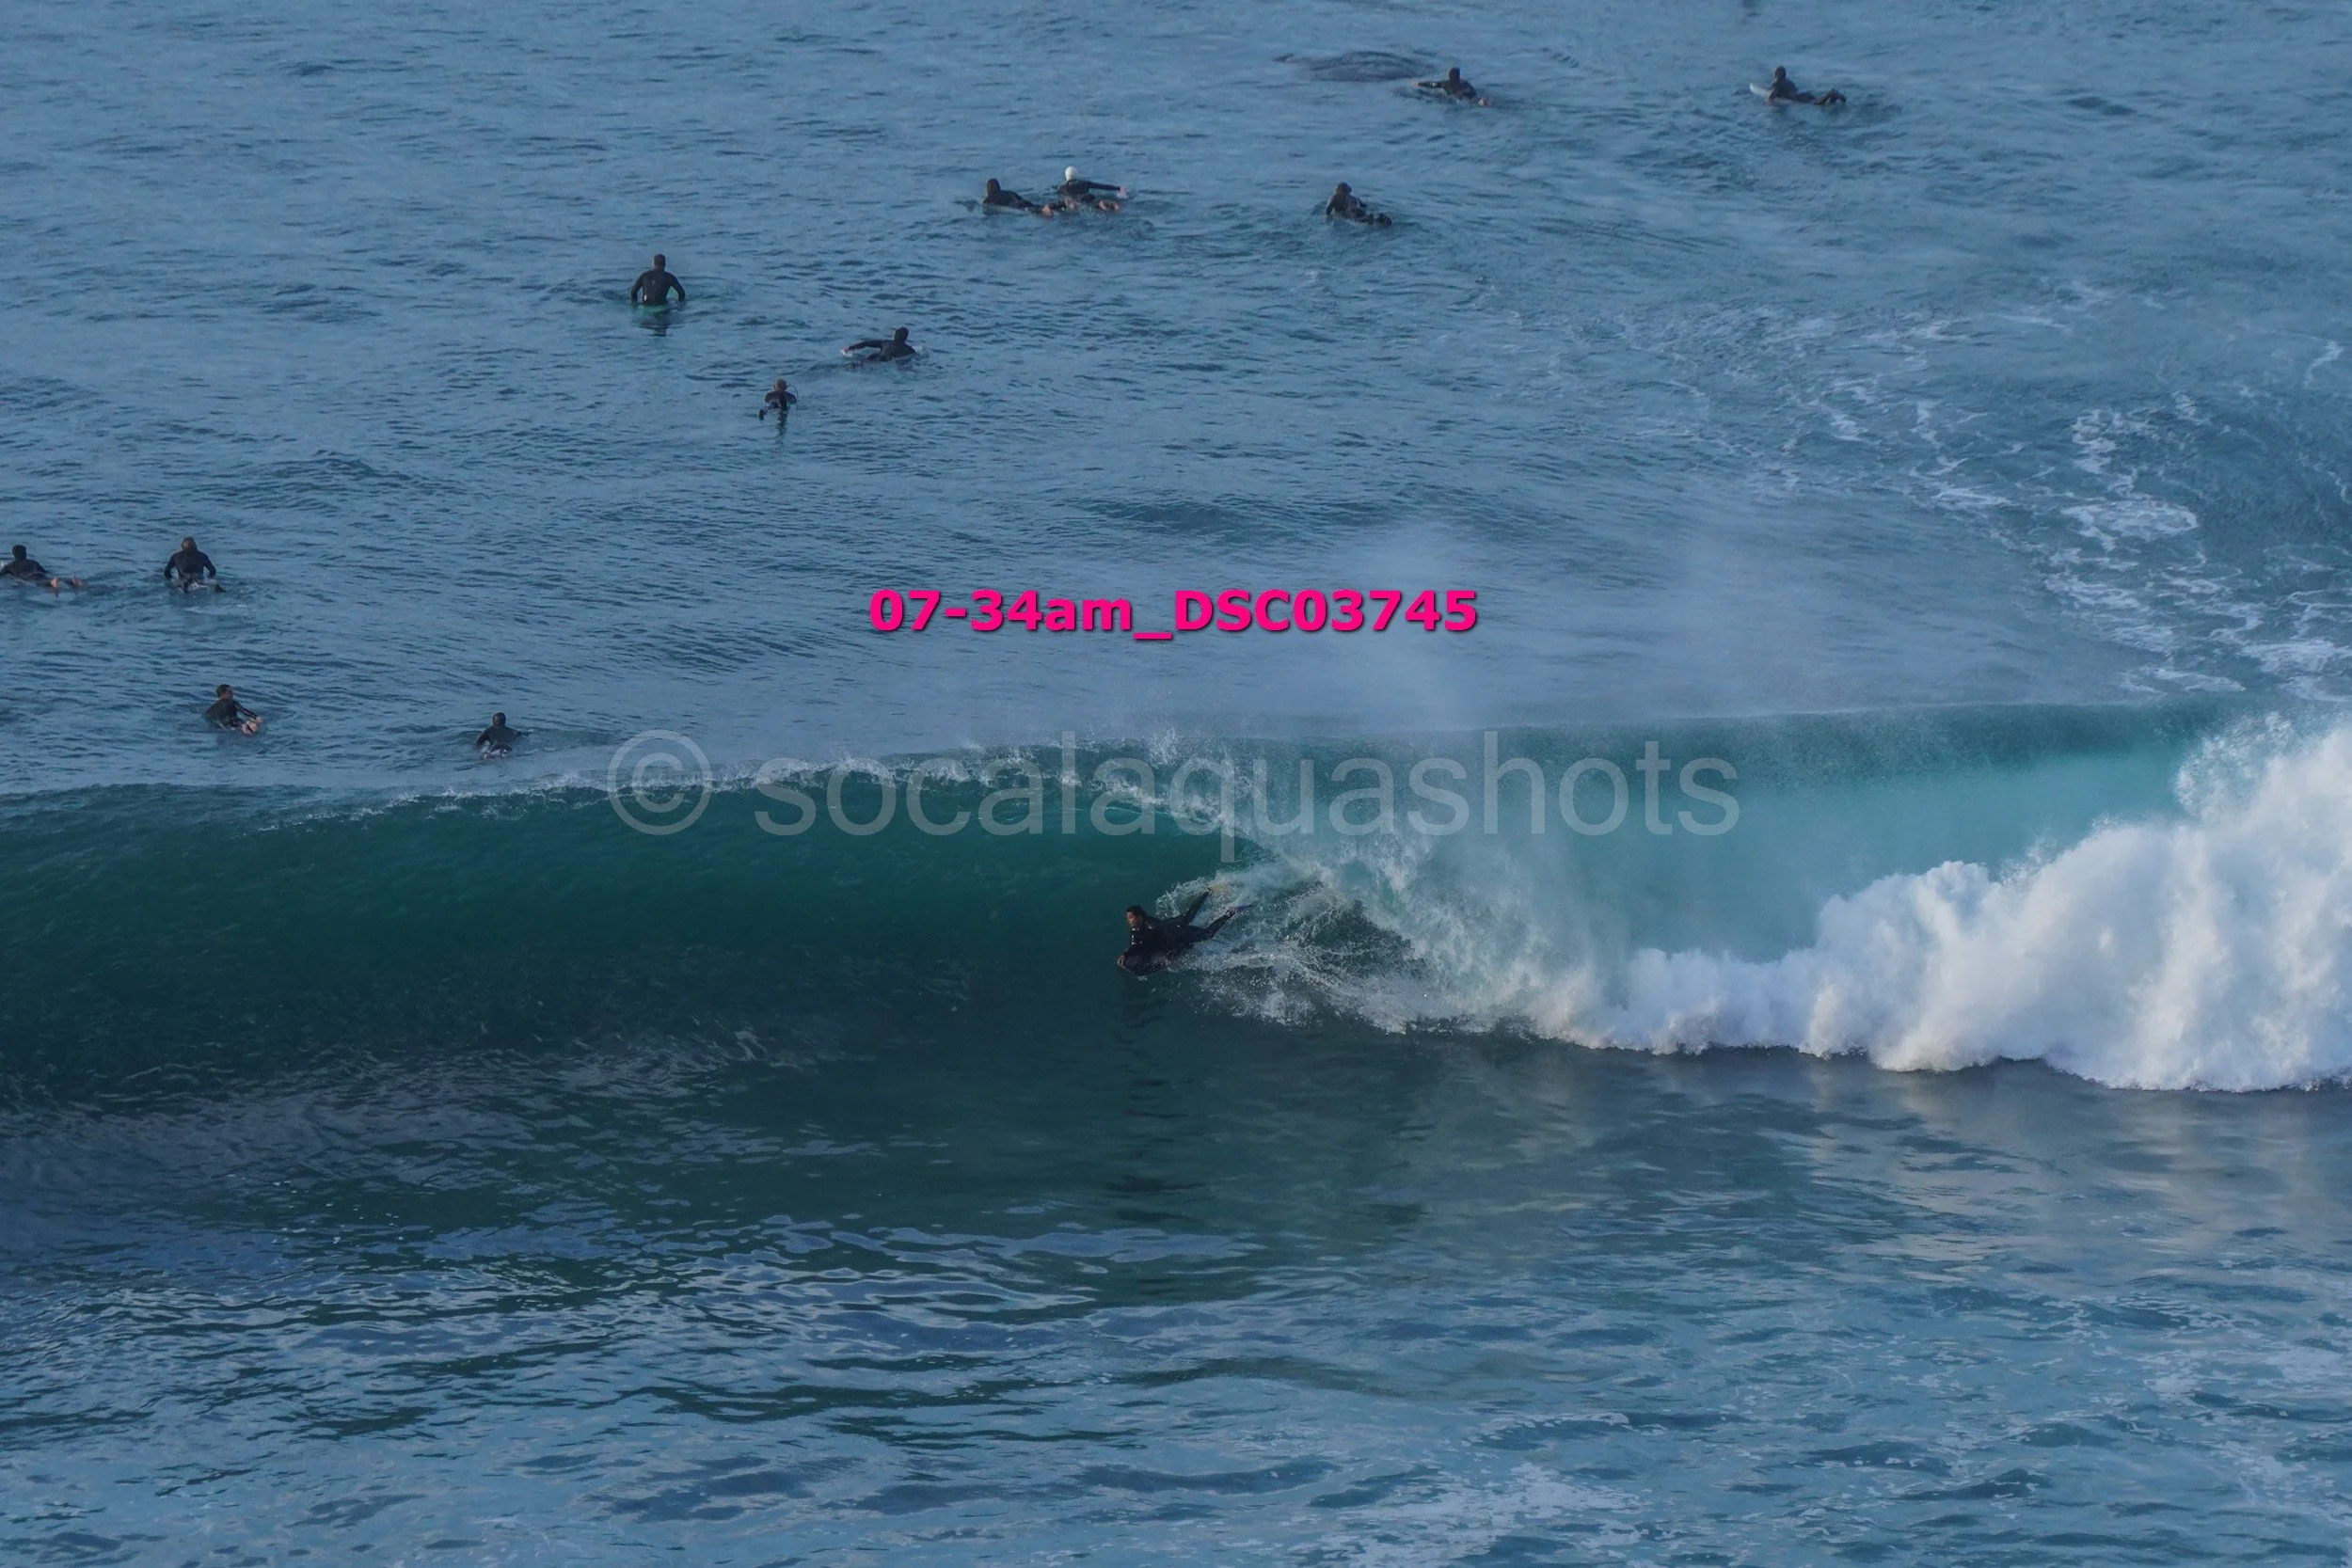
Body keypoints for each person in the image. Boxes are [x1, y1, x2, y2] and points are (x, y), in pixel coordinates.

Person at [1117, 892, 1241, 975]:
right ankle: (1207, 892)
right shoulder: (1138, 928)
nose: (1128, 920)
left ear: (1139, 917)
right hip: (1171, 925)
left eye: (1130, 918)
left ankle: (1230, 911)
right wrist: (1125, 954)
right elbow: (1135, 942)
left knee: (1207, 933)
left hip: (1177, 933)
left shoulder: (1151, 926)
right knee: (1188, 915)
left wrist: (1173, 956)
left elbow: (1168, 940)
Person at [2, 544, 83, 593]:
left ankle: (52, 583)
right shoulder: (33, 562)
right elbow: (45, 572)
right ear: (25, 553)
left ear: (14, 555)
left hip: (29, 577)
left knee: (41, 583)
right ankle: (72, 581)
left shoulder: (10, 566)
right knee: (47, 578)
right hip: (39, 574)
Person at [1764, 66, 1844, 106]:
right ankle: (1833, 97)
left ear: (1776, 75)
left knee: (1816, 104)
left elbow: (1772, 96)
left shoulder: (1777, 83)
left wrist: (1767, 103)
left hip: (1797, 97)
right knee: (1821, 102)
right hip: (1803, 93)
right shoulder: (1789, 81)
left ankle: (1830, 94)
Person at [1054, 166, 1126, 211]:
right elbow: (1102, 186)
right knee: (1098, 203)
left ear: (1066, 176)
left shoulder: (1062, 188)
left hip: (1078, 202)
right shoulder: (1085, 183)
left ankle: (1102, 205)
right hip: (1089, 197)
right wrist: (1118, 188)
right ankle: (1104, 205)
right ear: (1077, 175)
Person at [1325, 182, 1391, 226]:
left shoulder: (1334, 198)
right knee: (1362, 214)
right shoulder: (1355, 198)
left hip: (1350, 210)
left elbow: (1328, 210)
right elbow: (1365, 206)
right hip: (1358, 208)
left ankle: (1369, 218)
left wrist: (1327, 217)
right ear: (1349, 190)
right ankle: (1376, 218)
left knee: (1356, 219)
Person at [1416, 66, 1486, 103]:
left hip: (1457, 97)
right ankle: (1481, 102)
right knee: (1475, 99)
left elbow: (1432, 84)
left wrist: (1419, 83)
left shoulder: (1445, 83)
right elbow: (1473, 91)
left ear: (1450, 75)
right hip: (1469, 94)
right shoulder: (1465, 82)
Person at [844, 326, 915, 363]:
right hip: (886, 361)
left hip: (874, 357)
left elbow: (866, 343)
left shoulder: (885, 342)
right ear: (906, 338)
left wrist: (850, 348)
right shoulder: (910, 350)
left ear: (895, 335)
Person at [982, 178, 1051, 216]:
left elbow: (984, 205)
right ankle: (1046, 207)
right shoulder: (1008, 192)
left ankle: (1043, 210)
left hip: (1015, 206)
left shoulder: (989, 199)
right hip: (1023, 201)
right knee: (1033, 206)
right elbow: (1019, 197)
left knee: (1031, 210)